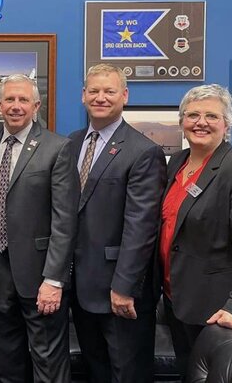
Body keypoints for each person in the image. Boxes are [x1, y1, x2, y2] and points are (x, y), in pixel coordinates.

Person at [159, 84, 232, 378]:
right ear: (182, 121)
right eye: (193, 115)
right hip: (180, 301)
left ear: (226, 123)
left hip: (220, 309)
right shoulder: (177, 163)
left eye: (211, 116)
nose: (201, 122)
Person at [0, 74, 79, 382]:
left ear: (36, 106)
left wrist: (54, 280)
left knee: (47, 360)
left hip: (40, 273)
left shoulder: (57, 148)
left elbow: (65, 220)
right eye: (9, 100)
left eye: (23, 100)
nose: (15, 106)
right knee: (8, 358)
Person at [68, 64, 167, 383]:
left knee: (127, 373)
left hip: (119, 290)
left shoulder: (143, 151)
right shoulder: (72, 143)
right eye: (93, 91)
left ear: (124, 95)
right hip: (81, 287)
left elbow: (141, 228)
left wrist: (124, 288)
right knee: (96, 370)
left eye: (109, 91)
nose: (100, 97)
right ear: (83, 96)